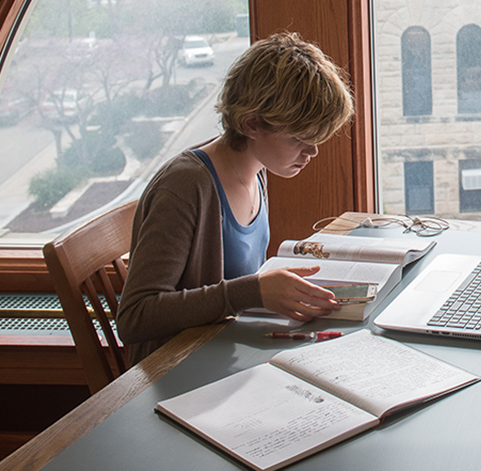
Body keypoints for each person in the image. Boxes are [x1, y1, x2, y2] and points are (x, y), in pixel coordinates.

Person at [117, 32, 355, 364]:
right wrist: (253, 292)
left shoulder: (257, 168)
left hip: (227, 350)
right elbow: (134, 317)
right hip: (177, 368)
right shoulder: (185, 187)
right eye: (300, 138)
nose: (312, 151)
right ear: (252, 124)